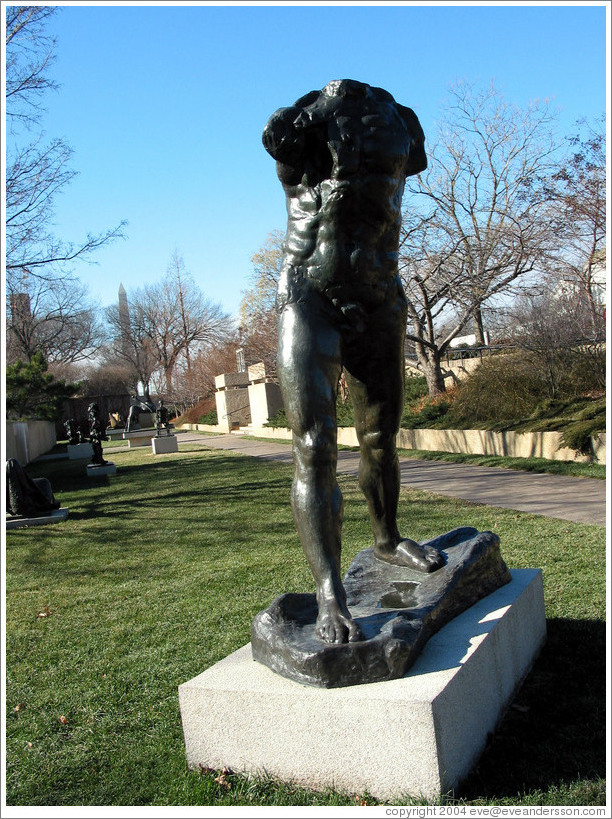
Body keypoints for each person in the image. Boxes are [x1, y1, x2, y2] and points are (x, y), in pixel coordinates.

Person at [263, 79, 444, 645]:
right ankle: (329, 591)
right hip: (311, 294)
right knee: (315, 446)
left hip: (380, 293)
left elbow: (411, 166)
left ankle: (387, 540)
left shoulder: (400, 120)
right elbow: (278, 143)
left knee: (381, 438)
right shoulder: (301, 123)